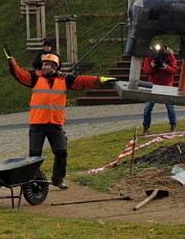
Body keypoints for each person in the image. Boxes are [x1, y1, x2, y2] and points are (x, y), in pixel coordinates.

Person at [8, 52, 115, 189]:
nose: (45, 66)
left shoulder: (65, 79)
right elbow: (19, 74)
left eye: (48, 65)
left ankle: (58, 179)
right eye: (44, 64)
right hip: (37, 124)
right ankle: (32, 181)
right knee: (34, 156)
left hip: (55, 124)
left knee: (61, 152)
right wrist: (13, 63)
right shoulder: (34, 78)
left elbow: (82, 81)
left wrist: (100, 80)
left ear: (55, 67)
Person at [142, 45, 179, 134]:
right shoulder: (150, 56)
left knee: (170, 106)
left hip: (167, 84)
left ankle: (173, 125)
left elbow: (174, 70)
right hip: (153, 85)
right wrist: (152, 66)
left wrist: (166, 67)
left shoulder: (169, 55)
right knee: (147, 108)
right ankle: (145, 128)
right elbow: (145, 71)